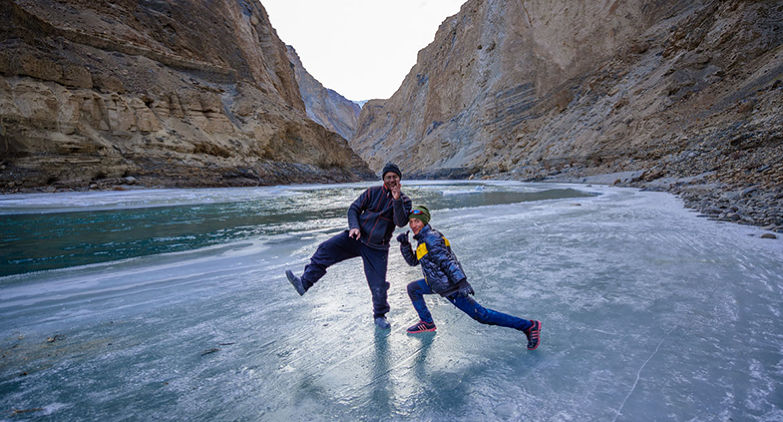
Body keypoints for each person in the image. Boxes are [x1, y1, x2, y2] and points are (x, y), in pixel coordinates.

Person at [286, 163, 412, 329]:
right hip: (357, 237)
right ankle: (304, 283)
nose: (391, 180)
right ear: (384, 179)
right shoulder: (372, 192)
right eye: (388, 177)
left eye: (394, 177)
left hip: (377, 248)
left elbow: (401, 222)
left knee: (378, 285)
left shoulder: (405, 201)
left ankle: (380, 316)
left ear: (399, 179)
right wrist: (354, 226)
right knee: (325, 249)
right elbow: (354, 208)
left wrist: (396, 200)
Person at [397, 205, 541, 350]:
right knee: (413, 288)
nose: (413, 225)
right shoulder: (423, 239)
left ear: (425, 221)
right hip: (436, 282)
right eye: (411, 222)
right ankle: (427, 322)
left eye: (417, 221)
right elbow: (414, 261)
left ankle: (529, 326)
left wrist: (461, 281)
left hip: (450, 286)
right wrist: (405, 245)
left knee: (482, 315)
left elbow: (447, 261)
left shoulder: (431, 238)